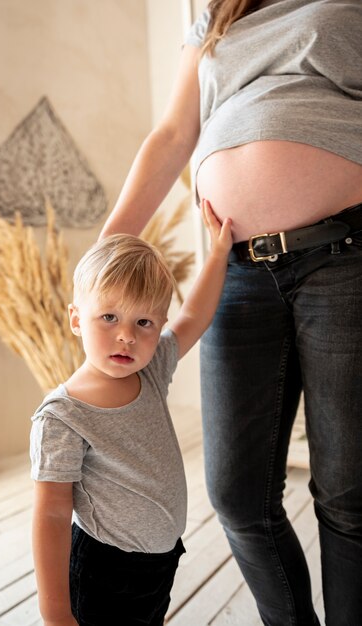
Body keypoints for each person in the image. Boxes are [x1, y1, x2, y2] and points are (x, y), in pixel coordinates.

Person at [99, 1, 362, 624]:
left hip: (345, 254)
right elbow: (172, 136)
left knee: (350, 494)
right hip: (235, 270)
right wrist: (106, 254)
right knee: (237, 495)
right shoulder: (221, 13)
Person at [30, 202, 232, 626]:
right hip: (105, 571)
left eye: (144, 322)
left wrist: (217, 256)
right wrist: (56, 614)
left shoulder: (153, 369)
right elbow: (50, 515)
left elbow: (194, 316)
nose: (126, 335)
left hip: (159, 564)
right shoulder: (63, 416)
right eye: (109, 317)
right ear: (76, 319)